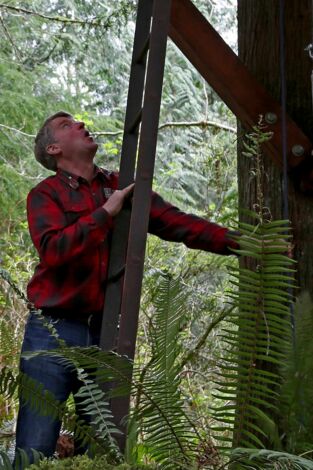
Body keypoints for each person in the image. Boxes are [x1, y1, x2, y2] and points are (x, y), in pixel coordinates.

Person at [15, 111, 239, 462]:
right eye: (66, 124)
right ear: (55, 149)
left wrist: (240, 243)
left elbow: (179, 224)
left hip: (106, 333)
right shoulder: (45, 194)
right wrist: (108, 211)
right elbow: (54, 251)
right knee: (35, 447)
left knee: (103, 449)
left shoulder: (120, 186)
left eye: (77, 121)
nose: (79, 124)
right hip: (51, 330)